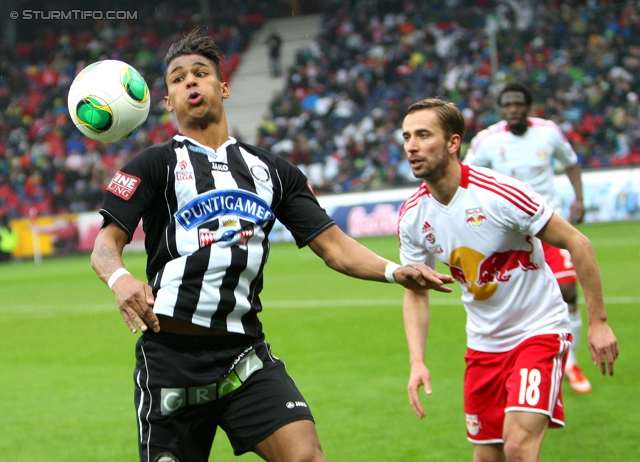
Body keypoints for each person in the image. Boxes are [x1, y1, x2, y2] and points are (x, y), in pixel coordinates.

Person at [90, 30, 453, 462]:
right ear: (167, 100)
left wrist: (395, 271)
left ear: (222, 87)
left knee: (306, 457)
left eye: (201, 73)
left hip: (244, 355)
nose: (190, 82)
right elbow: (104, 245)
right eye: (178, 78)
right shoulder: (153, 165)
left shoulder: (272, 171)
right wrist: (120, 277)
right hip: (171, 360)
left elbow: (334, 246)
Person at [397, 98, 618, 462]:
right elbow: (416, 293)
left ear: (453, 143)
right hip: (483, 345)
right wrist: (416, 361)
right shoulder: (412, 216)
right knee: (487, 456)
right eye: (407, 136)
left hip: (539, 331)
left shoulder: (500, 193)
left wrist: (599, 323)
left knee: (517, 449)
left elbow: (578, 243)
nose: (411, 146)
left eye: (423, 135)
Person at [464, 82, 592, 393]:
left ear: (528, 106)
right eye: (507, 105)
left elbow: (571, 163)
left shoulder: (548, 131)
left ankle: (570, 364)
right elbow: (466, 177)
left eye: (518, 104)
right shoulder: (487, 140)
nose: (513, 110)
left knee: (569, 292)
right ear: (501, 109)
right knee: (509, 299)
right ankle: (518, 358)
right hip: (507, 233)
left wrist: (578, 198)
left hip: (547, 223)